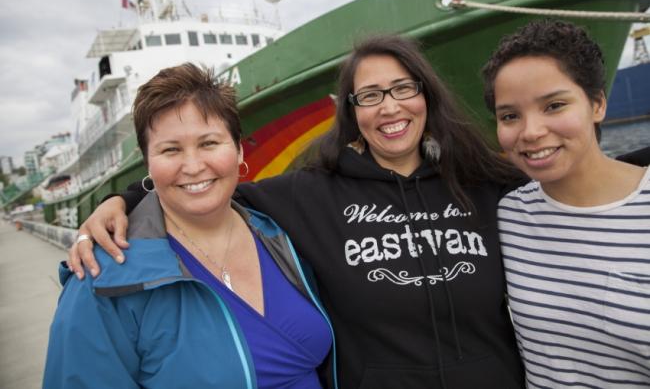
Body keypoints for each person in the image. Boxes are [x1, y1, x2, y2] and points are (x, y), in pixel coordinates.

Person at [69, 35, 529, 388]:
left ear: (426, 95)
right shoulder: (307, 195)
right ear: (351, 110)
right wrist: (123, 200)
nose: (389, 107)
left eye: (403, 88)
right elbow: (201, 189)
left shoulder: (486, 186)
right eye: (369, 95)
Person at [43, 63, 334, 389]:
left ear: (238, 149)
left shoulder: (277, 233)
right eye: (170, 150)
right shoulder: (103, 277)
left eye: (209, 143)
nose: (194, 166)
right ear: (148, 163)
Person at [482, 19, 650, 387]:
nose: (531, 132)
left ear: (597, 104)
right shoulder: (508, 216)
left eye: (554, 105)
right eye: (510, 115)